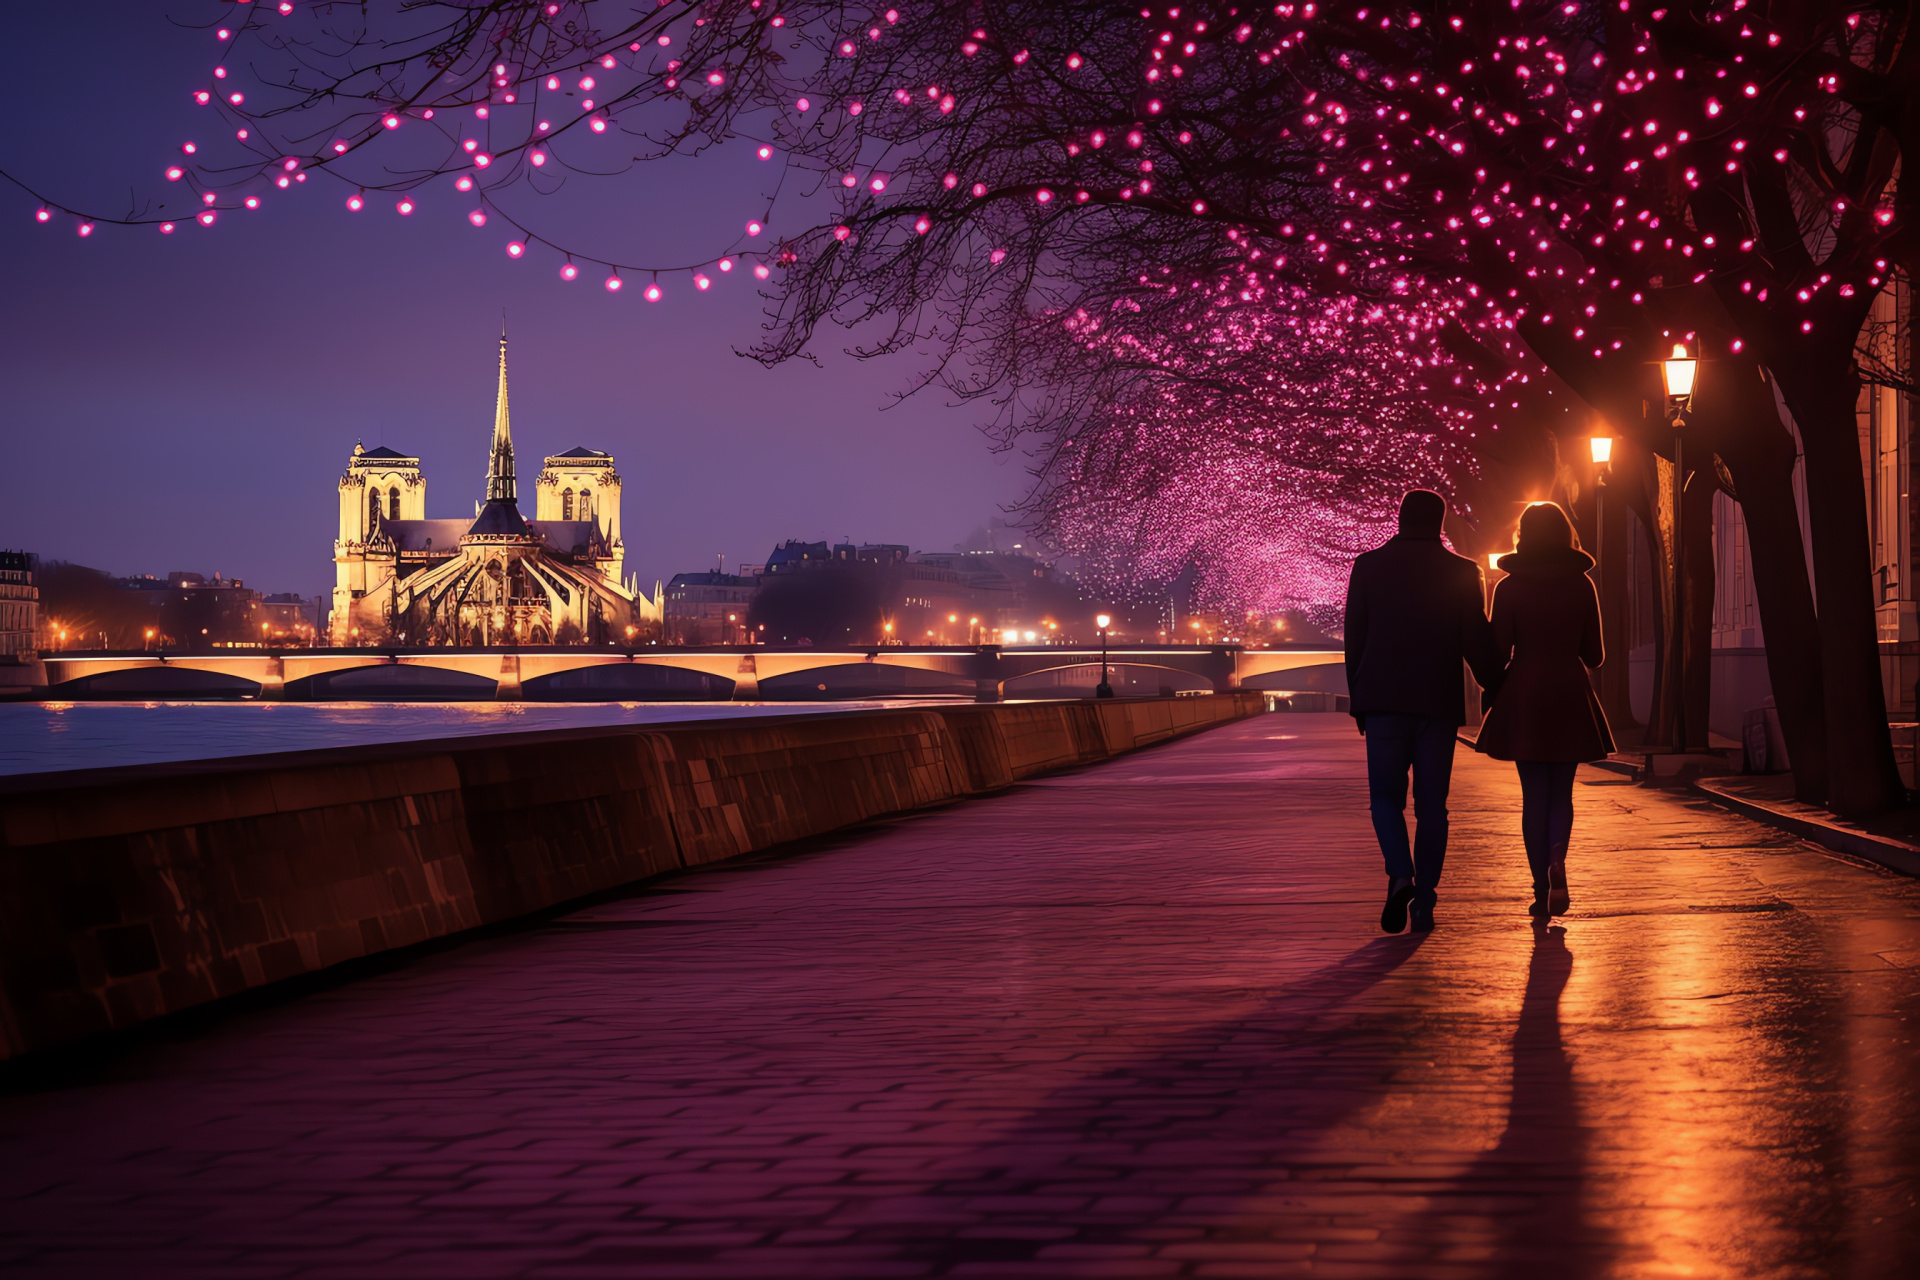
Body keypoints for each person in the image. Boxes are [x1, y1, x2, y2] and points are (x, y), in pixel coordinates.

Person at [1345, 490, 1503, 934]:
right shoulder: (1462, 572)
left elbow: (1354, 640)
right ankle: (1426, 901)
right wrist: (1497, 684)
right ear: (1440, 523)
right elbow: (1475, 640)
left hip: (1382, 703)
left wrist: (1360, 700)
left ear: (1400, 519)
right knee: (1433, 806)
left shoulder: (1368, 566)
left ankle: (1400, 874)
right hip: (1436, 703)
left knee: (1384, 800)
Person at [1476, 502, 1616, 918]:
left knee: (1532, 795)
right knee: (1562, 793)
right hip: (1570, 694)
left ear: (1523, 535)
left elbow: (1498, 653)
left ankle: (1540, 886)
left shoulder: (1509, 587)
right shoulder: (1581, 584)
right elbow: (1595, 656)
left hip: (1526, 695)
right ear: (1565, 534)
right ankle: (1559, 860)